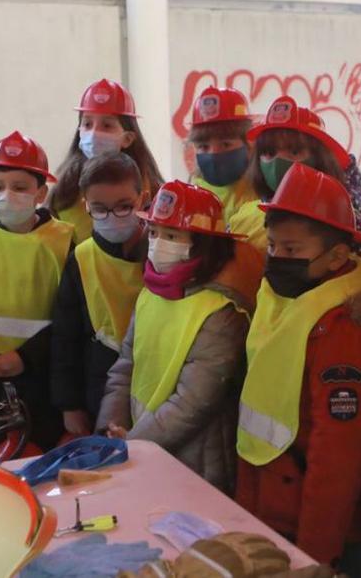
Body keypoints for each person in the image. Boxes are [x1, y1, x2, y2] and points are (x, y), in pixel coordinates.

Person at [234, 163, 361, 576]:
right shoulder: (282, 294)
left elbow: (338, 453)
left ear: (338, 254)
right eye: (273, 247)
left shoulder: (347, 325)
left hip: (316, 526)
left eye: (293, 251)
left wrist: (316, 556)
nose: (278, 259)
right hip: (267, 504)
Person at [98, 181, 251, 493]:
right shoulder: (149, 295)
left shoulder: (221, 313)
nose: (157, 244)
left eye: (171, 236)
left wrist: (133, 442)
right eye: (153, 233)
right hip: (138, 443)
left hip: (194, 460)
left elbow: (193, 402)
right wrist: (111, 425)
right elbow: (125, 366)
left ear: (202, 245)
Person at [0, 131, 72, 459]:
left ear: (41, 193)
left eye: (20, 188)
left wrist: (25, 357)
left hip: (41, 381)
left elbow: (71, 318)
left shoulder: (64, 242)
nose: (7, 195)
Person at [50, 153, 148, 438]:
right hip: (100, 389)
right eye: (100, 209)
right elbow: (65, 338)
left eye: (124, 206)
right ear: (86, 206)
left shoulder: (162, 250)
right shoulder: (80, 258)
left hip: (153, 386)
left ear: (142, 199)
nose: (112, 217)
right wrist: (69, 405)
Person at [231, 96, 361, 272]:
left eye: (294, 151)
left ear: (320, 159)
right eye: (269, 152)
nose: (279, 162)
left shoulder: (353, 229)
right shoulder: (243, 218)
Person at [48, 79, 164, 244]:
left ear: (128, 138)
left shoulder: (152, 190)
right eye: (87, 124)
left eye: (107, 125)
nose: (94, 133)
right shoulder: (64, 190)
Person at [188, 86, 258, 222]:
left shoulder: (260, 192)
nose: (213, 154)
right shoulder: (191, 196)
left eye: (225, 144)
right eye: (203, 146)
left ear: (249, 143)